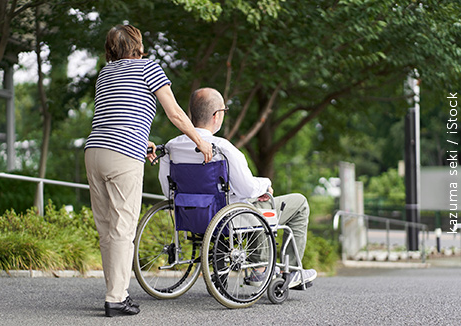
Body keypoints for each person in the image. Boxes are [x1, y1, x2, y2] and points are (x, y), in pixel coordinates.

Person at [84, 25, 213, 317]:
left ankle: (114, 292)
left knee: (108, 230)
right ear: (137, 45)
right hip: (121, 155)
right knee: (122, 228)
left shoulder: (105, 74)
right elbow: (175, 112)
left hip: (95, 151)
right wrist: (200, 141)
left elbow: (115, 115)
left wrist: (142, 142)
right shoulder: (148, 68)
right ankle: (116, 298)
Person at [158, 87, 317, 290]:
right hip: (230, 218)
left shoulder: (172, 146)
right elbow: (248, 188)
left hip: (191, 216)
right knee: (296, 202)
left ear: (191, 114)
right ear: (217, 116)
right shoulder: (223, 148)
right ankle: (289, 270)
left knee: (252, 198)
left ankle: (263, 268)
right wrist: (266, 183)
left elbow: (168, 191)